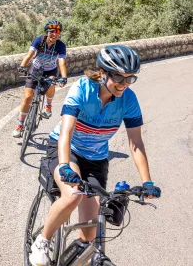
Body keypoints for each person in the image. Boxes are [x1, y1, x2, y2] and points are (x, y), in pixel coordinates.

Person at [29, 44, 161, 266]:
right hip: (66, 149)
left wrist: (147, 181)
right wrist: (64, 166)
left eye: (130, 78)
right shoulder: (82, 89)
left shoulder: (128, 99)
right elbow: (66, 133)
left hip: (96, 158)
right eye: (119, 78)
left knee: (90, 234)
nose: (124, 84)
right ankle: (43, 240)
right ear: (102, 73)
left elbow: (136, 142)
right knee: (72, 195)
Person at [13, 20, 68, 138]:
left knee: (52, 83)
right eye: (51, 31)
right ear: (47, 32)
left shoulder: (60, 46)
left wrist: (64, 77)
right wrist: (22, 67)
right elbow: (29, 55)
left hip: (50, 70)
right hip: (36, 69)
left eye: (57, 31)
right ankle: (20, 125)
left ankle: (48, 106)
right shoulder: (39, 40)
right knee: (28, 97)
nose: (54, 34)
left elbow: (62, 62)